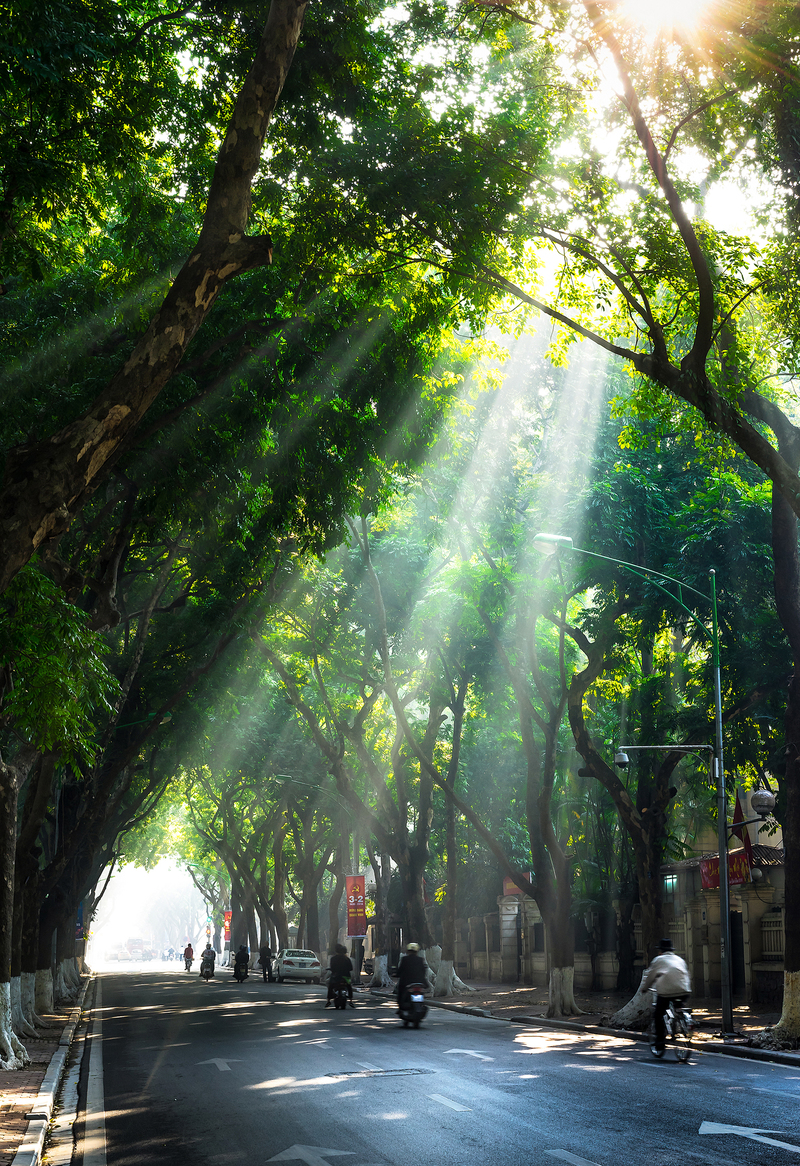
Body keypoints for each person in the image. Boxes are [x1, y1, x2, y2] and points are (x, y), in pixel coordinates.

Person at [642, 937, 691, 1052]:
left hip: (666, 992)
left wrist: (645, 988)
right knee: (678, 1006)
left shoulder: (658, 960)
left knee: (658, 1015)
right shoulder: (679, 959)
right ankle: (681, 1021)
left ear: (660, 951)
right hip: (684, 990)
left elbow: (650, 977)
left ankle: (660, 1042)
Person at [396, 942, 427, 1007]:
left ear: (408, 951)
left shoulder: (405, 959)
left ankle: (400, 1005)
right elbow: (423, 971)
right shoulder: (420, 960)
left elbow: (400, 970)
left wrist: (397, 974)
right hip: (419, 981)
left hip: (407, 982)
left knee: (400, 990)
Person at [326, 943, 355, 1008]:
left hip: (336, 976)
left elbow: (332, 967)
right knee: (349, 987)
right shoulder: (347, 959)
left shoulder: (333, 958)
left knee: (330, 986)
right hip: (346, 976)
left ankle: (328, 1000)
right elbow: (351, 968)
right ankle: (351, 1001)